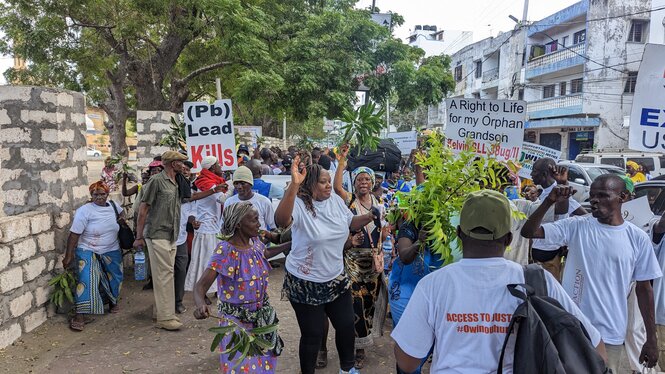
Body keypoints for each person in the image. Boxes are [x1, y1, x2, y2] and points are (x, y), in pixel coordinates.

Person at [392, 189, 605, 373]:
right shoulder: (538, 280)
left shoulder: (434, 285)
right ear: (509, 239)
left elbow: (407, 362)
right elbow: (595, 347)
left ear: (459, 233)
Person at [521, 175, 662, 372]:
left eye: (603, 195)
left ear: (623, 197)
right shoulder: (577, 226)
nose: (594, 200)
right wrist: (549, 201)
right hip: (570, 329)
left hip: (610, 334)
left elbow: (644, 289)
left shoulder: (637, 238)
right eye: (593, 195)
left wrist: (651, 338)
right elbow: (529, 231)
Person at [274, 157, 379, 374]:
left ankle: (347, 369)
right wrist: (294, 185)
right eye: (323, 182)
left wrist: (369, 216)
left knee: (346, 325)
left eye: (329, 181)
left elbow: (350, 222)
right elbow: (281, 221)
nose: (329, 185)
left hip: (335, 277)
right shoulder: (300, 205)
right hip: (305, 282)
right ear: (310, 184)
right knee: (312, 335)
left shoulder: (335, 201)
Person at [193, 202, 289, 373]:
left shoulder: (254, 241)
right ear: (238, 224)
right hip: (236, 323)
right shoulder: (225, 250)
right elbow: (200, 286)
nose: (259, 224)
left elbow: (265, 253)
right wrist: (201, 304)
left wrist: (293, 245)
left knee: (263, 363)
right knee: (242, 367)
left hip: (261, 318)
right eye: (254, 220)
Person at [333, 147, 386, 369]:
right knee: (355, 304)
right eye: (359, 179)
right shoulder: (350, 201)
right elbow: (337, 187)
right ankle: (358, 349)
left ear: (373, 182)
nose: (363, 182)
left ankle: (361, 344)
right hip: (353, 261)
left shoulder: (382, 204)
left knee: (368, 305)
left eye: (367, 179)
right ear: (354, 183)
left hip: (373, 263)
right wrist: (342, 162)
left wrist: (384, 236)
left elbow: (383, 231)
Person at [134, 150, 189, 331]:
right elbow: (143, 210)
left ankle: (161, 311)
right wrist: (139, 237)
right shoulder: (156, 181)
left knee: (164, 275)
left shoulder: (175, 182)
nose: (183, 165)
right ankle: (166, 317)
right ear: (173, 164)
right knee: (165, 275)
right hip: (157, 234)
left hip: (170, 235)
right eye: (181, 162)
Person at [64, 181, 124, 331]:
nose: (99, 197)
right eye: (95, 194)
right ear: (91, 195)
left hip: (111, 248)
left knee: (115, 276)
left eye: (102, 194)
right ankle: (80, 315)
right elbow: (74, 234)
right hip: (88, 248)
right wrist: (69, 256)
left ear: (107, 194)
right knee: (86, 279)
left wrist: (121, 220)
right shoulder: (84, 211)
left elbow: (122, 213)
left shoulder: (113, 206)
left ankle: (112, 301)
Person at [529, 158, 585, 280]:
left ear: (544, 174)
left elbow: (584, 216)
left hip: (550, 259)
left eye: (534, 171)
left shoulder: (559, 193)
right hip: (540, 255)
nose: (531, 174)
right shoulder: (544, 193)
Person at [185, 156, 227, 300]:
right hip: (207, 229)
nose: (221, 166)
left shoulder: (209, 182)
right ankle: (202, 292)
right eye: (218, 164)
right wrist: (236, 187)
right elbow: (223, 200)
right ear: (212, 168)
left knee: (215, 260)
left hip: (214, 227)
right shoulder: (208, 184)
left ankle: (215, 289)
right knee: (207, 262)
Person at [224, 166, 277, 238]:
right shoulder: (229, 202)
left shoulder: (264, 201)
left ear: (251, 184)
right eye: (236, 183)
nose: (239, 187)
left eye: (243, 183)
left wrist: (261, 244)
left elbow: (273, 227)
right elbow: (224, 227)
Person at [174, 161, 198, 314]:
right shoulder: (168, 188)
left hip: (181, 237)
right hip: (164, 238)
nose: (185, 172)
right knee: (166, 272)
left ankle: (178, 301)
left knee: (181, 269)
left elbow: (191, 211)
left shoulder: (190, 191)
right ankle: (164, 303)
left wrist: (193, 221)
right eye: (182, 169)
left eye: (187, 169)